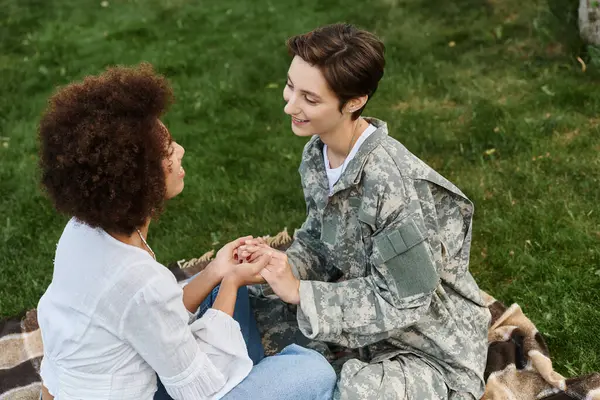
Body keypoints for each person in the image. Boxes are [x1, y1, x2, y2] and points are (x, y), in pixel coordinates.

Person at [36, 63, 336, 400]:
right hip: (167, 390)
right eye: (168, 151)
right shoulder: (140, 282)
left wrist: (217, 271)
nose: (180, 151)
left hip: (117, 373)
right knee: (312, 371)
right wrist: (233, 281)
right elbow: (198, 389)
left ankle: (251, 372)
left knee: (216, 294)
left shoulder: (80, 230)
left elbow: (145, 314)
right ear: (138, 180)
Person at [241, 24, 492, 400]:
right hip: (365, 329)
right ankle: (324, 365)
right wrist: (280, 266)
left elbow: (404, 302)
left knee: (356, 394)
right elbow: (317, 238)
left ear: (354, 102)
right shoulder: (317, 153)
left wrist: (301, 294)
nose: (290, 105)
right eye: (291, 86)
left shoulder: (392, 185)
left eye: (310, 98)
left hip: (428, 348)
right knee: (253, 303)